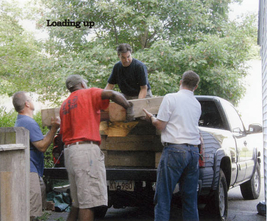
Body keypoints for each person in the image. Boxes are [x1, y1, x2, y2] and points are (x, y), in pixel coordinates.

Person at [60, 74, 134, 221]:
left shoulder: (65, 104)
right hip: (86, 152)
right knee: (88, 203)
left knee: (77, 203)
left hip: (70, 152)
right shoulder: (88, 93)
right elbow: (112, 93)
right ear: (82, 84)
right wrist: (128, 107)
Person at [143, 71, 201, 221]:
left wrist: (151, 118)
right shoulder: (197, 104)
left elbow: (161, 125)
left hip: (175, 150)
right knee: (190, 200)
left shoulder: (171, 98)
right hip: (194, 151)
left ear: (180, 81)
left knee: (163, 197)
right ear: (196, 86)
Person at [12, 91, 60, 221]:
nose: (33, 100)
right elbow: (42, 146)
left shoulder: (23, 120)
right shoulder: (29, 122)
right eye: (31, 98)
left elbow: (38, 142)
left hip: (30, 169)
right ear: (27, 104)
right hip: (29, 170)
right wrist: (54, 129)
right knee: (32, 212)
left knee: (40, 193)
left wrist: (51, 131)